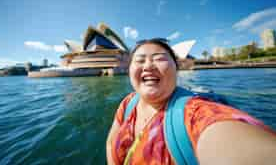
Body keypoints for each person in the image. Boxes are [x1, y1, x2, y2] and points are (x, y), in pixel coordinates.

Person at [106, 38, 276, 165]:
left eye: (159, 58)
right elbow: (110, 142)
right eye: (140, 60)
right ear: (129, 70)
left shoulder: (195, 113)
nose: (148, 65)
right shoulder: (128, 103)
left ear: (177, 67)